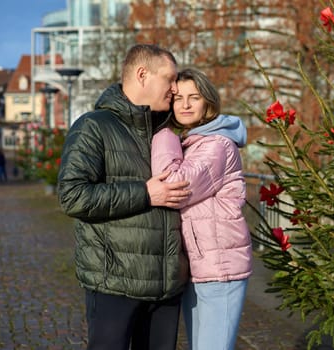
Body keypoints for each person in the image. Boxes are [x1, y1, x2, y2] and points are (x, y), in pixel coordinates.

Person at [57, 44, 192, 350]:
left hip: (165, 287)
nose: (175, 88)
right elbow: (72, 195)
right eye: (169, 79)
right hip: (114, 284)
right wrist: (145, 193)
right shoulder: (93, 126)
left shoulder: (166, 132)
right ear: (142, 74)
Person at [151, 68, 252, 350]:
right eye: (178, 97)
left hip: (220, 269)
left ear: (207, 102)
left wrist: (163, 136)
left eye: (193, 97)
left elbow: (173, 187)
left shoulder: (216, 145)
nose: (184, 105)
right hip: (201, 267)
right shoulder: (194, 143)